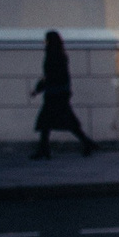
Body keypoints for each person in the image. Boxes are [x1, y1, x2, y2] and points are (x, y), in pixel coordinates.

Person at [29, 30, 97, 159]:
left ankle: (86, 143)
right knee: (54, 122)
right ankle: (86, 143)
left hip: (54, 95)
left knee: (48, 122)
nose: (44, 42)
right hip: (60, 93)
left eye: (46, 39)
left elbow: (49, 76)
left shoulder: (52, 56)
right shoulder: (60, 54)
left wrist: (38, 89)